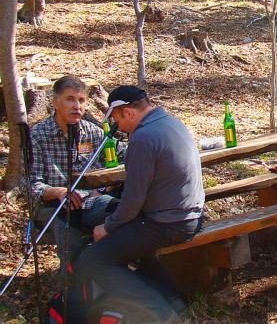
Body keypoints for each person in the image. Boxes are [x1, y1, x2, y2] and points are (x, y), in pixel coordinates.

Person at [74, 85, 205, 323]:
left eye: (116, 120)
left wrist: (108, 227)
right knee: (131, 248)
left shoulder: (143, 138)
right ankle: (175, 302)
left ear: (127, 112)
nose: (118, 128)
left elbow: (133, 201)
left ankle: (159, 314)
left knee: (93, 260)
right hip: (189, 216)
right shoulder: (171, 123)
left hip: (168, 222)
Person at [30, 75, 121, 265]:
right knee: (67, 221)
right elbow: (30, 184)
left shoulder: (93, 131)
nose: (76, 106)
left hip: (93, 200)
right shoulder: (38, 135)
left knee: (124, 211)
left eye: (81, 100)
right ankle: (70, 284)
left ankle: (116, 274)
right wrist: (58, 192)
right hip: (54, 206)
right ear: (55, 102)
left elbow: (122, 155)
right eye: (70, 99)